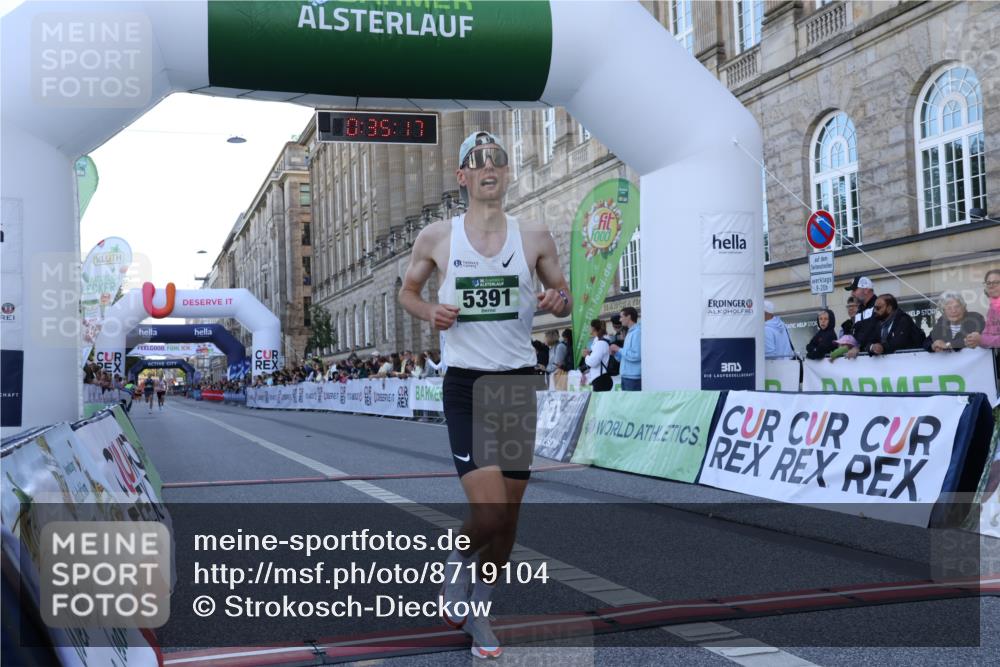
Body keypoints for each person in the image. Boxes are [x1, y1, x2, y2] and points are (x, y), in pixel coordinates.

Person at [398, 130, 571, 659]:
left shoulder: (534, 235)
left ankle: (481, 609)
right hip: (467, 386)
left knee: (509, 520)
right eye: (477, 161)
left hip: (516, 384)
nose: (488, 167)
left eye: (497, 159)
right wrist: (430, 311)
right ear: (463, 177)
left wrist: (557, 299)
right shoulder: (437, 237)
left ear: (507, 172)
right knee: (490, 515)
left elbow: (564, 297)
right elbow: (407, 292)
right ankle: (456, 567)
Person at [862, 294, 926, 356]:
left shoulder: (903, 319)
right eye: (874, 308)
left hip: (911, 359)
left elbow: (898, 343)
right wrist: (872, 347)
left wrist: (882, 347)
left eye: (878, 308)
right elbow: (867, 341)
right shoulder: (877, 321)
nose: (875, 311)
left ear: (889, 308)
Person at [843, 276, 878, 359]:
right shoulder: (860, 310)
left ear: (866, 290)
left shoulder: (879, 305)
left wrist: (858, 347)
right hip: (864, 361)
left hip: (879, 360)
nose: (852, 294)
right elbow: (857, 333)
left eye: (854, 290)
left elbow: (875, 332)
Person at [966, 268, 1000, 349]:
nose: (991, 286)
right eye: (988, 283)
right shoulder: (992, 309)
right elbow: (986, 335)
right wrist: (973, 340)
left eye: (996, 282)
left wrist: (981, 339)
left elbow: (984, 339)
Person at [610, 307, 641, 390]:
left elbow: (636, 356)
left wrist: (618, 349)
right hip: (626, 376)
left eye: (621, 317)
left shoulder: (637, 332)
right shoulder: (630, 333)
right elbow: (625, 356)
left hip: (633, 378)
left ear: (629, 317)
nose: (620, 320)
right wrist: (616, 354)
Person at [583, 319, 612, 391]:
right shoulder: (601, 342)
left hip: (600, 378)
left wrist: (586, 355)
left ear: (593, 328)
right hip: (601, 377)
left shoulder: (600, 343)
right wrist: (590, 354)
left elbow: (593, 362)